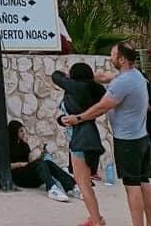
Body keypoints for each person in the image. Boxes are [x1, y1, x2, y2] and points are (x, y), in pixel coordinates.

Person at [64, 43, 151, 226]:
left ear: (121, 59)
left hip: (128, 142)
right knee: (144, 182)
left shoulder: (123, 82)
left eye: (113, 55)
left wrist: (78, 118)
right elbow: (105, 77)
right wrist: (80, 77)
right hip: (142, 138)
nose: (110, 57)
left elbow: (102, 107)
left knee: (132, 187)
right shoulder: (136, 75)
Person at [52, 62, 107, 226]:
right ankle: (95, 217)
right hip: (87, 137)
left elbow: (55, 76)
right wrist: (61, 120)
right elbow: (71, 115)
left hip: (82, 140)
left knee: (83, 185)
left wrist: (66, 75)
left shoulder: (77, 87)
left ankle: (96, 221)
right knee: (85, 184)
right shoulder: (93, 90)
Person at [8, 120, 79, 202]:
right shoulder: (8, 147)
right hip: (19, 178)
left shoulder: (24, 145)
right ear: (14, 132)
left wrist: (41, 155)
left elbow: (30, 163)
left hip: (28, 175)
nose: (23, 133)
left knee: (48, 163)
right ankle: (52, 189)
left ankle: (73, 187)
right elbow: (6, 166)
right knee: (40, 163)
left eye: (23, 130)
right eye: (20, 131)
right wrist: (20, 164)